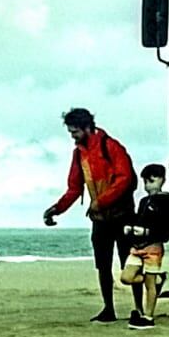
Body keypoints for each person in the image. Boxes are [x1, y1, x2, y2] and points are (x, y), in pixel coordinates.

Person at [42, 107, 140, 322]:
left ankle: (139, 308)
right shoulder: (79, 153)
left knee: (129, 263)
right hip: (100, 219)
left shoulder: (111, 146)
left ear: (88, 127)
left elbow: (124, 180)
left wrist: (99, 202)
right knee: (103, 265)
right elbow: (74, 188)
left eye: (75, 132)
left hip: (122, 215)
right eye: (70, 132)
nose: (73, 137)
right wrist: (57, 209)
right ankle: (109, 309)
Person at [121, 163, 169, 330]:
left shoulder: (167, 200)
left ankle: (148, 316)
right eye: (146, 182)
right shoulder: (144, 201)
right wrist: (130, 227)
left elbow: (166, 227)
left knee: (150, 285)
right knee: (126, 277)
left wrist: (145, 231)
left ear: (162, 180)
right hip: (138, 247)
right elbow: (139, 219)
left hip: (153, 247)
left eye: (152, 181)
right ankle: (157, 280)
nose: (148, 185)